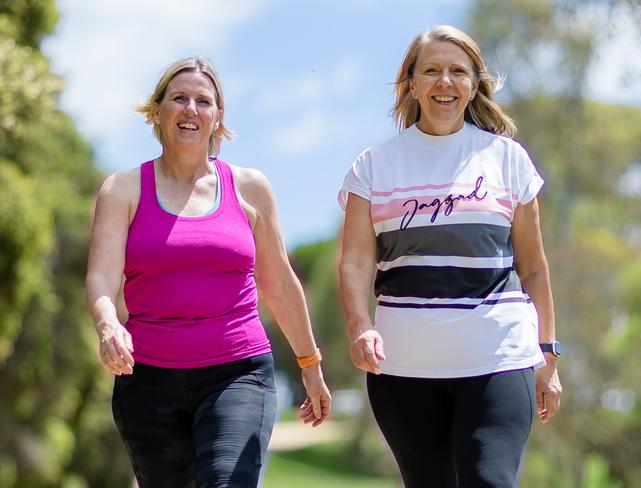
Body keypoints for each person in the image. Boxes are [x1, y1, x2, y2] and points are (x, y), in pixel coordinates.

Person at [85, 56, 331, 488]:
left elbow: (279, 283)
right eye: (179, 98)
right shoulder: (122, 189)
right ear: (157, 110)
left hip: (237, 372)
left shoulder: (250, 187)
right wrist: (108, 327)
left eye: (204, 101)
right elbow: (101, 277)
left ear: (218, 118)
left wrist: (310, 366)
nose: (191, 109)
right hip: (147, 379)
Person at [338, 25, 562, 487]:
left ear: (475, 83)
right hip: (403, 366)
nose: (445, 82)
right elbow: (356, 263)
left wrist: (548, 358)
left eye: (458, 71)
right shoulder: (374, 165)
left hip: (498, 355)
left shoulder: (509, 159)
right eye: (432, 71)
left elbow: (534, 267)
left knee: (490, 480)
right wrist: (360, 327)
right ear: (411, 84)